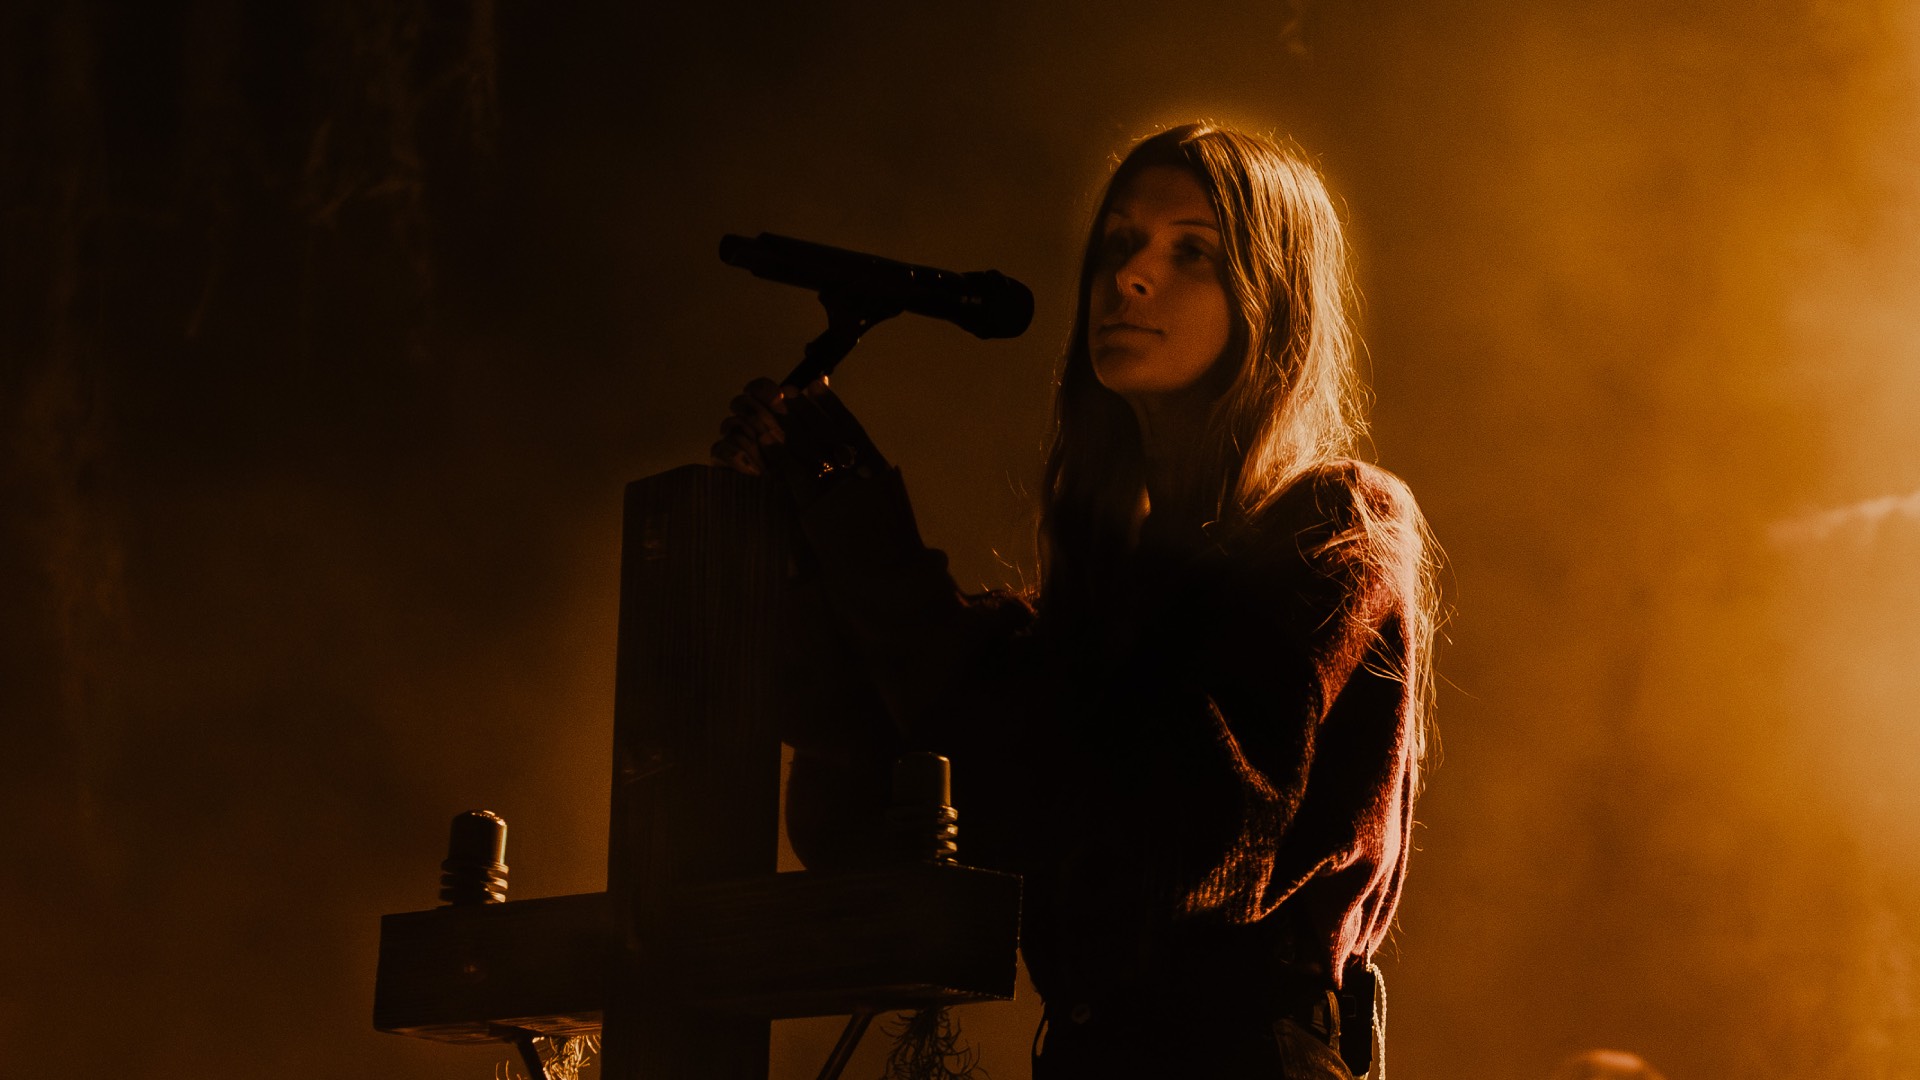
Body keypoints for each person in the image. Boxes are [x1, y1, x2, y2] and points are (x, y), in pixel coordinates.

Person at [713, 123, 1439, 1079]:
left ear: (1273, 302)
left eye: (1194, 252)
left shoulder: (1334, 524)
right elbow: (869, 804)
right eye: (1118, 243)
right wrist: (794, 525)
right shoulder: (1090, 611)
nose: (1130, 277)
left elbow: (1184, 845)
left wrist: (855, 514)